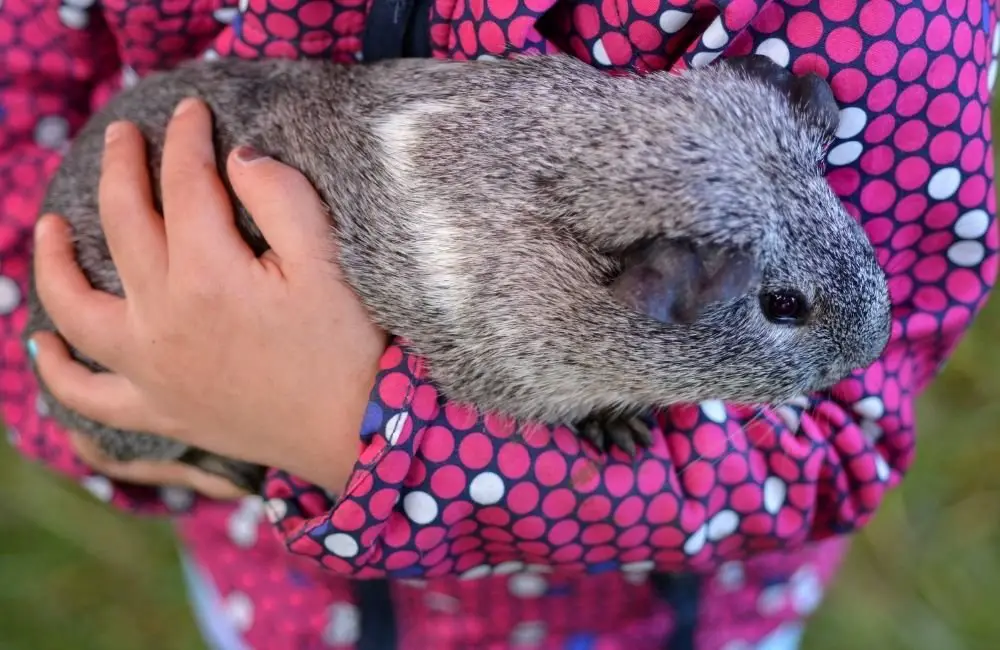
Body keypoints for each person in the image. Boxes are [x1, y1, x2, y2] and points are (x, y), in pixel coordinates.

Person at [1, 0, 996, 648]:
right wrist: (105, 418)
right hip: (287, 601)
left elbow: (840, 437)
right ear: (654, 281)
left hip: (664, 623)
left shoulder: (871, 20)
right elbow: (20, 113)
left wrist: (346, 429)